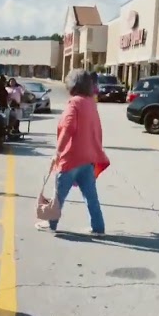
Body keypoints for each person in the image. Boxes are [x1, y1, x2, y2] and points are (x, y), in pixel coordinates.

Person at [36, 70, 109, 236]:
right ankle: (98, 227)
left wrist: (58, 152)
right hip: (88, 158)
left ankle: (51, 223)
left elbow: (68, 128)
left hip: (71, 157)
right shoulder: (91, 102)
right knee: (91, 197)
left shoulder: (74, 103)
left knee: (59, 194)